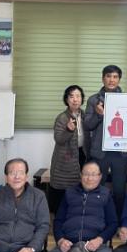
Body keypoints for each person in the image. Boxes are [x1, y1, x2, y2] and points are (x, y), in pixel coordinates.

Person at [38, 160, 117, 252]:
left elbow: (113, 223)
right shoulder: (69, 193)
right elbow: (58, 221)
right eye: (86, 174)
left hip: (93, 247)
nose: (89, 178)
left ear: (100, 177)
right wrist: (61, 240)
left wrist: (99, 240)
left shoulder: (106, 194)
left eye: (93, 174)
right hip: (69, 246)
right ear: (81, 175)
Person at [84, 65, 127, 218]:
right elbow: (88, 125)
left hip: (120, 152)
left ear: (119, 79)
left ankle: (118, 220)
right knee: (97, 187)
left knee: (120, 190)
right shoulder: (93, 100)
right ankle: (96, 218)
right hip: (100, 151)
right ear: (103, 78)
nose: (111, 80)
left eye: (115, 77)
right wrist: (99, 115)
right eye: (108, 76)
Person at [47, 84, 88, 213]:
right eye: (71, 96)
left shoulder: (85, 115)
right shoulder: (62, 117)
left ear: (82, 99)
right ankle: (58, 216)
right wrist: (68, 130)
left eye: (78, 96)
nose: (75, 99)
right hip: (65, 157)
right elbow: (59, 139)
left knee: (79, 188)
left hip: (82, 154)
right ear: (66, 99)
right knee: (62, 189)